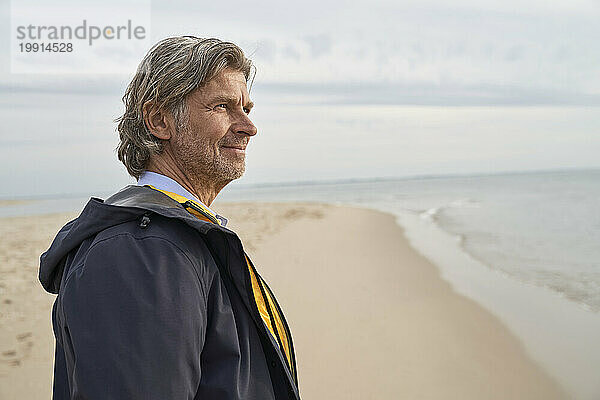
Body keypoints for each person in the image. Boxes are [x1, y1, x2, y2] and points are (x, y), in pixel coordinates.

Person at [39, 36, 300, 400]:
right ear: (160, 120)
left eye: (247, 109)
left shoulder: (182, 236)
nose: (247, 126)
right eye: (223, 107)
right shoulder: (140, 252)